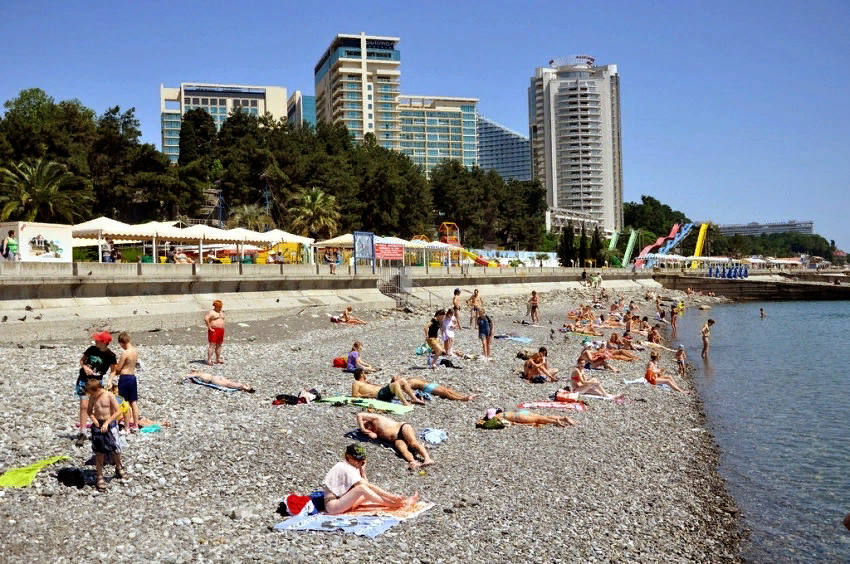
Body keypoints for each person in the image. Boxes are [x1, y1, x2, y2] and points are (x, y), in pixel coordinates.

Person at [322, 444, 419, 515]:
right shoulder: (343, 467)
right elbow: (366, 486)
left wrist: (362, 470)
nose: (361, 463)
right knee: (362, 489)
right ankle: (396, 504)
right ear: (350, 459)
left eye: (363, 461)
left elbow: (366, 484)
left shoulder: (351, 467)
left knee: (366, 492)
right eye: (359, 461)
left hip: (342, 502)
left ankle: (399, 503)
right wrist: (392, 496)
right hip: (333, 506)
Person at [75, 332, 118, 446]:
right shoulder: (91, 349)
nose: (96, 341)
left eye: (98, 340)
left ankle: (103, 427)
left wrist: (110, 380)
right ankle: (83, 431)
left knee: (99, 405)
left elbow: (114, 370)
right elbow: (82, 360)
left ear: (104, 342)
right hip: (84, 379)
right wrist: (84, 367)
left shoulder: (111, 355)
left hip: (97, 382)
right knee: (84, 406)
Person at [85, 376, 127, 491]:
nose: (91, 396)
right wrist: (94, 419)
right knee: (99, 451)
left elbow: (118, 411)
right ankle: (99, 476)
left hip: (110, 424)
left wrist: (107, 423)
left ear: (98, 390)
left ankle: (119, 467)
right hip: (98, 424)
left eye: (92, 393)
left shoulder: (109, 395)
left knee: (115, 449)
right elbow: (89, 411)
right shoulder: (93, 398)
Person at [356, 412, 434, 470]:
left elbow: (359, 415)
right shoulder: (374, 431)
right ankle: (413, 461)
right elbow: (374, 437)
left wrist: (363, 429)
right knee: (402, 450)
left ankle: (427, 458)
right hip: (396, 439)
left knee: (413, 443)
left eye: (366, 425)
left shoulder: (376, 418)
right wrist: (369, 433)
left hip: (402, 428)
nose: (367, 429)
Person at [351, 369, 423, 406]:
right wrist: (365, 396)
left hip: (383, 391)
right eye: (364, 373)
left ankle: (414, 399)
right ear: (361, 374)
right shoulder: (356, 383)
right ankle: (405, 402)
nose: (366, 374)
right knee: (395, 384)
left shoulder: (366, 382)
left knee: (403, 381)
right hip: (379, 395)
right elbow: (354, 395)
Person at [115, 332, 140, 432]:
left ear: (122, 343)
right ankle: (136, 425)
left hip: (125, 378)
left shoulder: (125, 353)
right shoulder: (135, 351)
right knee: (133, 402)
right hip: (132, 376)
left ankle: (126, 427)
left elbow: (119, 368)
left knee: (124, 402)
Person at [480, 407, 575, 428]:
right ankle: (563, 418)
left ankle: (556, 422)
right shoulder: (503, 413)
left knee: (538, 420)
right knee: (542, 416)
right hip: (522, 412)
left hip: (519, 417)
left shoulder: (498, 418)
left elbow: (509, 423)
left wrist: (515, 424)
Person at [403, 378, 477, 401]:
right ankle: (462, 398)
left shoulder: (407, 380)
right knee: (446, 394)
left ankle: (463, 396)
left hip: (430, 384)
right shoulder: (407, 384)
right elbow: (409, 392)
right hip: (428, 387)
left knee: (448, 390)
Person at [187, 370, 255, 392]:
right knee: (229, 384)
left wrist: (186, 376)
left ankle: (245, 388)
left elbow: (188, 376)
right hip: (217, 379)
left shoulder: (200, 375)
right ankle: (245, 388)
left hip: (216, 379)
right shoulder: (201, 374)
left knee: (229, 383)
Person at [204, 300, 226, 365]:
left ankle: (218, 359)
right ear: (215, 306)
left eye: (220, 306)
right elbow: (206, 318)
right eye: (218, 307)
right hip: (214, 330)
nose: (219, 308)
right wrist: (209, 327)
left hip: (221, 330)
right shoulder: (211, 312)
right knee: (212, 344)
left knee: (219, 344)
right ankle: (209, 360)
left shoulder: (221, 312)